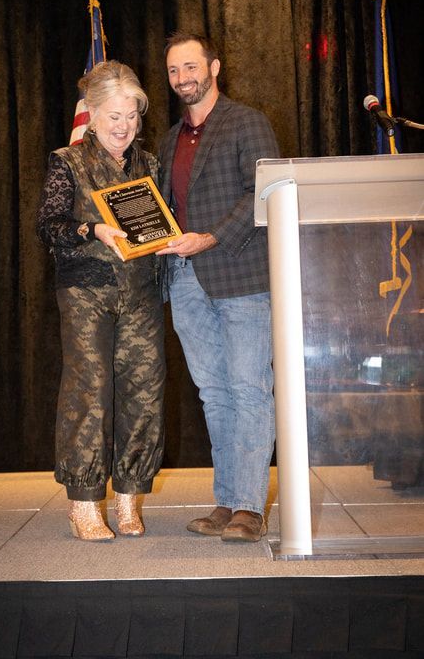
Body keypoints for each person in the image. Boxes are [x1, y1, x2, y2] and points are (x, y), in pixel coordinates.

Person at [157, 32, 280, 542]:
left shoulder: (247, 122)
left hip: (240, 275)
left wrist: (209, 238)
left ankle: (250, 507)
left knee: (250, 390)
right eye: (172, 71)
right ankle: (227, 502)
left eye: (190, 66)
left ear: (214, 66)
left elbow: (263, 194)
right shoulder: (167, 140)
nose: (182, 77)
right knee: (214, 394)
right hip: (184, 280)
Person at [37, 60, 165, 541]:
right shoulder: (66, 163)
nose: (124, 126)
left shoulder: (149, 164)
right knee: (89, 394)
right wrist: (92, 229)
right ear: (90, 114)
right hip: (86, 292)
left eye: (132, 116)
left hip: (141, 295)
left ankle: (130, 498)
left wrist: (169, 238)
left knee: (144, 392)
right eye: (114, 116)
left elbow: (158, 225)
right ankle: (86, 503)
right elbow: (48, 227)